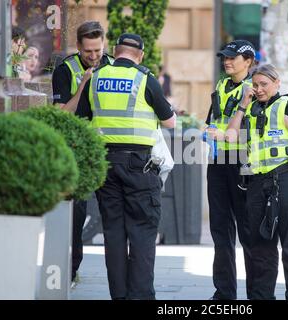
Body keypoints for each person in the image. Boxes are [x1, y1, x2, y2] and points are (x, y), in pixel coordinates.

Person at [76, 33, 176, 299]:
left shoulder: (95, 78)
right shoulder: (145, 79)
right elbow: (170, 122)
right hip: (138, 165)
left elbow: (82, 117)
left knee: (114, 232)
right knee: (142, 231)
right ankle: (141, 296)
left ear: (114, 51)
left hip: (105, 163)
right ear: (140, 55)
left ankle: (119, 296)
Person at [226, 64, 288, 300]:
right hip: (258, 184)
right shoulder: (250, 108)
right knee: (260, 247)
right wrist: (243, 105)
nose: (259, 89)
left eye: (264, 84)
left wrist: (285, 120)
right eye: (255, 85)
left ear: (277, 83)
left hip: (287, 180)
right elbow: (230, 136)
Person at [51, 21, 114, 284]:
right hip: (77, 149)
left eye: (98, 50)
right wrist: (84, 84)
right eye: (88, 51)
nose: (94, 56)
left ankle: (118, 273)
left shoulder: (112, 67)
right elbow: (62, 113)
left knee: (113, 211)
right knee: (76, 212)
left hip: (108, 148)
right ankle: (72, 269)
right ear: (79, 46)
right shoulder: (66, 69)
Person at [204, 40, 255, 300]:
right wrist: (208, 131)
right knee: (220, 230)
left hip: (242, 164)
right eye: (225, 57)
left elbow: (254, 130)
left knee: (247, 231)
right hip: (218, 164)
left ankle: (256, 293)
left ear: (248, 62)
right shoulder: (222, 86)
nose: (227, 61)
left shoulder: (254, 90)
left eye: (233, 58)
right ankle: (224, 294)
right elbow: (214, 118)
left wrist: (222, 134)